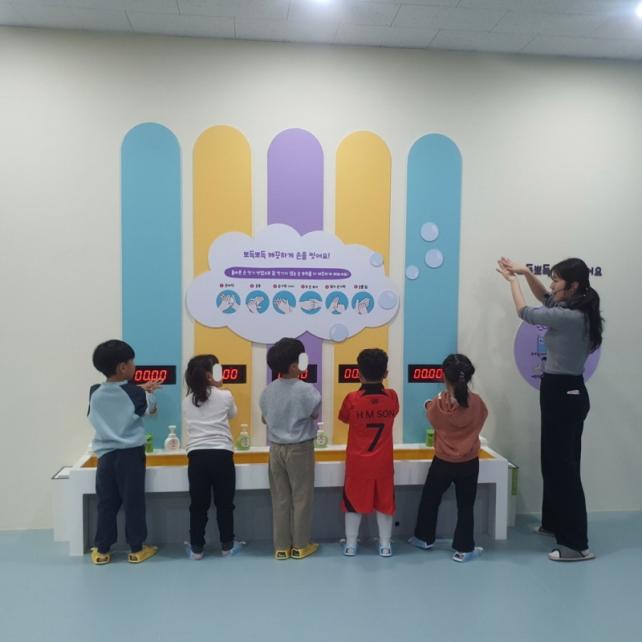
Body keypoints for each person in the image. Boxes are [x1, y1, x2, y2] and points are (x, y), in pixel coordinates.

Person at [497, 257, 603, 562]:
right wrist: (526, 273)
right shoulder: (572, 309)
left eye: (557, 280)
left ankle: (576, 545)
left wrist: (512, 282)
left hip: (565, 393)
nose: (552, 285)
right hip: (559, 391)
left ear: (573, 285)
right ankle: (554, 523)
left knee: (565, 469)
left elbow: (524, 311)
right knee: (553, 461)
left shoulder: (571, 317)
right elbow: (544, 297)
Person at [409, 354, 488, 562]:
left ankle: (423, 538)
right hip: (469, 462)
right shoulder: (477, 403)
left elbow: (430, 413)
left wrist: (429, 404)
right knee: (465, 506)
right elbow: (481, 417)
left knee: (430, 499)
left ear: (444, 377)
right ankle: (465, 548)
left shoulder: (438, 404)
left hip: (442, 461)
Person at [88, 340, 160, 565]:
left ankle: (102, 550)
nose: (134, 365)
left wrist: (139, 389)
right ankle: (136, 548)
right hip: (130, 455)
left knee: (106, 503)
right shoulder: (135, 394)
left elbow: (116, 397)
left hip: (105, 456)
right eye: (132, 362)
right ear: (122, 367)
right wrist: (149, 393)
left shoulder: (94, 392)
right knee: (133, 502)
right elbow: (150, 409)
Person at [259, 338, 322, 560]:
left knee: (280, 499)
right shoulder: (307, 390)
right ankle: (300, 545)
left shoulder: (267, 392)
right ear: (294, 366)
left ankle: (281, 547)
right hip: (300, 448)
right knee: (301, 498)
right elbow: (314, 414)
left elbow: (265, 419)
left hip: (276, 449)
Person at [338, 348, 399, 557]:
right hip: (383, 463)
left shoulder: (352, 399)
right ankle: (385, 545)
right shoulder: (392, 397)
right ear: (386, 374)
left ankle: (350, 545)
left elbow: (344, 418)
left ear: (359, 374)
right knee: (385, 503)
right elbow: (393, 412)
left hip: (358, 463)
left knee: (353, 503)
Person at [183, 354, 244, 560]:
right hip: (222, 454)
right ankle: (227, 546)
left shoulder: (186, 401)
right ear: (210, 375)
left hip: (196, 456)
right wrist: (221, 388)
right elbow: (232, 414)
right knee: (224, 503)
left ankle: (196, 549)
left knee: (198, 504)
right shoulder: (225, 395)